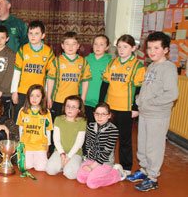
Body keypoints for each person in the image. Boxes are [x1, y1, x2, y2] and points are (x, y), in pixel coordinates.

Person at [128, 32, 179, 191]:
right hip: (145, 113)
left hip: (157, 115)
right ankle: (144, 170)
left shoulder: (168, 68)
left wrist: (151, 103)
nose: (152, 51)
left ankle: (152, 177)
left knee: (154, 147)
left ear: (165, 50)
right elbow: (146, 88)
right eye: (149, 48)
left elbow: (172, 94)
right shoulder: (151, 65)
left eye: (156, 48)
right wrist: (139, 101)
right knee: (143, 145)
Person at [99, 34, 145, 175]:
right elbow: (105, 84)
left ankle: (126, 167)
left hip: (126, 109)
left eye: (125, 47)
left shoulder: (138, 66)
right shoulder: (112, 63)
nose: (121, 50)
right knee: (108, 137)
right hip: (110, 107)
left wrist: (135, 108)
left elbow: (139, 89)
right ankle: (106, 163)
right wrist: (102, 104)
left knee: (124, 139)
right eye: (119, 47)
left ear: (133, 48)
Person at [11, 20, 54, 121]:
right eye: (30, 33)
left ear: (43, 35)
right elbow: (16, 72)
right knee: (20, 120)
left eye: (36, 33)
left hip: (39, 94)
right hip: (23, 92)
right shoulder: (22, 50)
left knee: (37, 120)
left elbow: (50, 76)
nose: (33, 36)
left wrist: (48, 94)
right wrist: (14, 91)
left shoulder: (48, 52)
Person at [76, 102, 125, 189]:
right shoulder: (90, 126)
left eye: (103, 114)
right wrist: (87, 160)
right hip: (91, 159)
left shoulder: (113, 130)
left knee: (91, 184)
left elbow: (106, 152)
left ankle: (116, 173)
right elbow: (88, 144)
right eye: (97, 114)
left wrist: (92, 167)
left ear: (109, 115)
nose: (99, 117)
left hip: (104, 162)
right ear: (94, 114)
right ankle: (95, 173)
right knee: (81, 178)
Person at [47, 32, 91, 119]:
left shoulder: (83, 62)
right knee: (56, 126)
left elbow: (85, 81)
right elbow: (51, 80)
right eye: (67, 44)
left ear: (78, 46)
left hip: (74, 102)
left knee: (71, 126)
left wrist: (82, 100)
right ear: (62, 46)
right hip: (58, 100)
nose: (70, 47)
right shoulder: (57, 61)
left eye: (73, 44)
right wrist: (48, 97)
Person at [45, 95, 86, 180]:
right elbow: (56, 140)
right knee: (50, 170)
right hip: (60, 152)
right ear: (64, 107)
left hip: (74, 153)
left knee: (70, 175)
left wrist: (68, 157)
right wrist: (62, 154)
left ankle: (77, 163)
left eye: (74, 107)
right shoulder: (58, 119)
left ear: (79, 110)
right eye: (68, 106)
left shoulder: (82, 122)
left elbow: (79, 143)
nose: (70, 109)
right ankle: (63, 164)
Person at [16, 84, 52, 171]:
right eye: (32, 95)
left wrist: (48, 144)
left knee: (41, 168)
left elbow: (48, 130)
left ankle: (40, 158)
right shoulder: (23, 111)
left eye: (37, 96)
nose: (34, 99)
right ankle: (31, 158)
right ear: (28, 97)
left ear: (42, 98)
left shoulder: (46, 112)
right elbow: (21, 127)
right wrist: (21, 142)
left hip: (40, 145)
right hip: (27, 144)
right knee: (25, 166)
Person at [83, 35, 112, 123]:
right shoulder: (85, 60)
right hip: (85, 100)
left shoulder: (111, 62)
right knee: (86, 128)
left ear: (107, 47)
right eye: (95, 44)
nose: (98, 47)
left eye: (101, 44)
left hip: (101, 102)